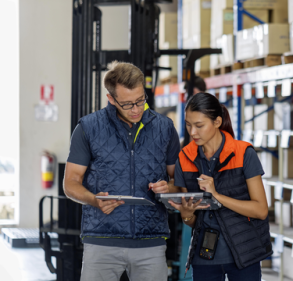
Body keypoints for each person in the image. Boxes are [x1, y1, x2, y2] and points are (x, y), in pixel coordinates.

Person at [63, 61, 181, 281]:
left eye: (140, 100)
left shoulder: (165, 128)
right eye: (127, 104)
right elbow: (70, 183)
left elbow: (178, 182)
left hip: (150, 243)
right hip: (101, 241)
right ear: (111, 99)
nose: (136, 109)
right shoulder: (88, 128)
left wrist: (169, 187)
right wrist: (93, 199)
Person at [169, 93, 272, 281]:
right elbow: (194, 221)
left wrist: (216, 195)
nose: (192, 132)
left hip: (244, 254)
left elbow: (260, 210)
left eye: (199, 125)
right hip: (205, 257)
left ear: (217, 122)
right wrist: (186, 214)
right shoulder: (185, 157)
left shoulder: (243, 153)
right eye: (188, 125)